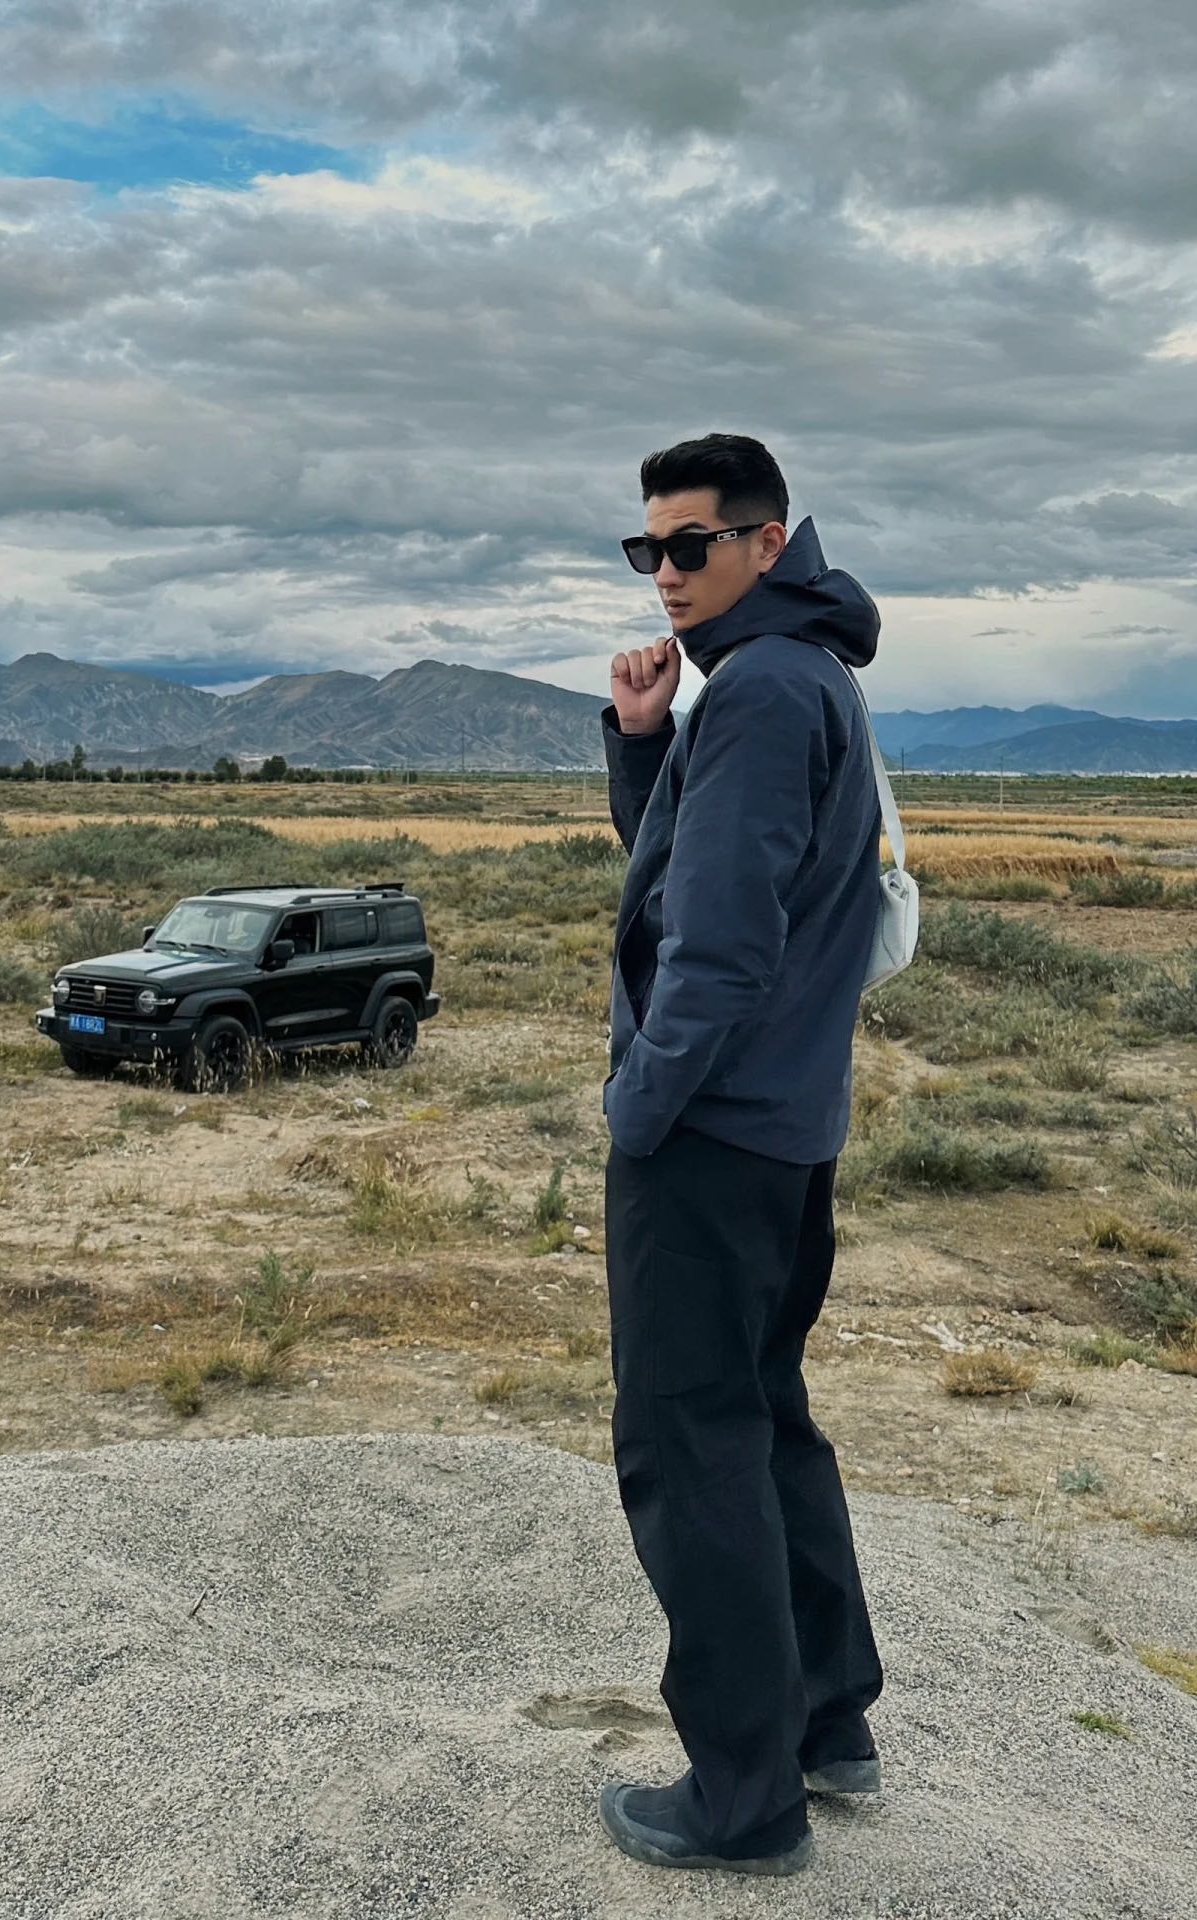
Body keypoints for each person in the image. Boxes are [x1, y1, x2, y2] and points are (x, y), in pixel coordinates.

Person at [596, 433, 886, 1878]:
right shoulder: (799, 674)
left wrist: (638, 1109)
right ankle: (828, 1723)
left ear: (767, 543)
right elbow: (683, 873)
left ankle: (742, 1800)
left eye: (690, 545)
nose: (665, 573)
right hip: (780, 1130)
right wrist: (645, 740)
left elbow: (715, 946)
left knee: (688, 1447)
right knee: (763, 1421)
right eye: (646, 548)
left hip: (709, 1137)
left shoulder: (766, 687)